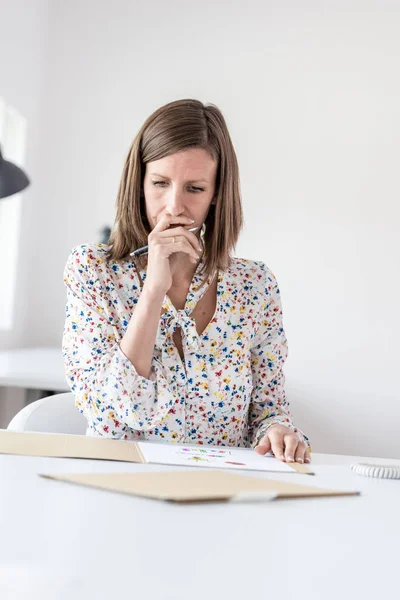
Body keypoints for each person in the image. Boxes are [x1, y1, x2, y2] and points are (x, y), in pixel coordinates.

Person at [62, 98, 311, 464]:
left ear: (215, 195)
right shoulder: (93, 272)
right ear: (139, 183)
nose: (174, 206)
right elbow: (112, 415)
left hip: (221, 492)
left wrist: (277, 430)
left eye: (194, 189)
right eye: (160, 183)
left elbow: (269, 409)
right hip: (118, 488)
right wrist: (153, 291)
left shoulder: (254, 285)